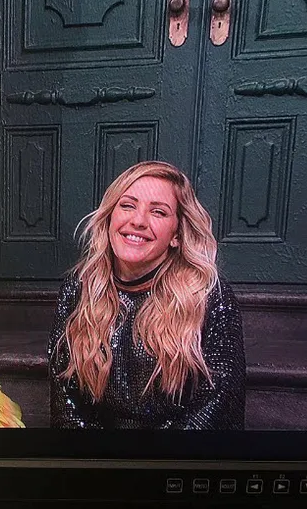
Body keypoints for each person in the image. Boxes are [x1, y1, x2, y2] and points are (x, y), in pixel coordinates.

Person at [47, 161, 246, 430]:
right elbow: (66, 402)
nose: (138, 221)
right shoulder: (79, 288)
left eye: (158, 212)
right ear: (110, 218)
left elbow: (218, 406)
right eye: (127, 206)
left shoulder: (208, 295)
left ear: (177, 234)